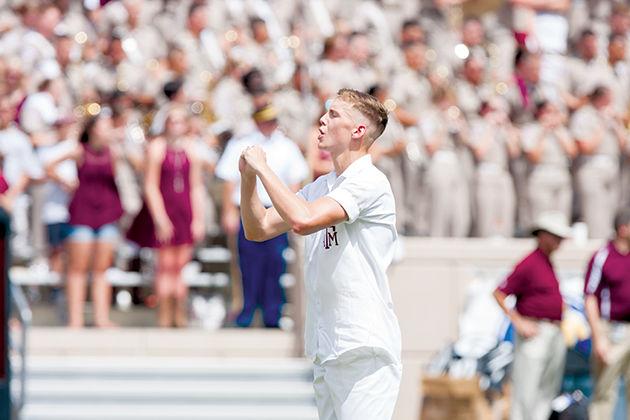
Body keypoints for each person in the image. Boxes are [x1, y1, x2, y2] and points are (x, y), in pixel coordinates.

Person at [239, 89, 401, 419]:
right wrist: (248, 178)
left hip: (363, 347)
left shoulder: (369, 180)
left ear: (358, 132)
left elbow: (303, 219)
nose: (323, 121)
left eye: (335, 115)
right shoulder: (323, 186)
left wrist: (264, 168)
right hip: (328, 348)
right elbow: (258, 229)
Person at [215, 103, 308, 328]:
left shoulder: (287, 146)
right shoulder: (241, 143)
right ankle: (245, 312)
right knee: (248, 265)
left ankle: (271, 315)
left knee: (275, 264)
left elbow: (295, 181)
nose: (270, 125)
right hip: (248, 210)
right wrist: (228, 211)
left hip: (276, 211)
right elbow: (229, 180)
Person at [127, 106, 205, 328]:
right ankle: (164, 314)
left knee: (181, 265)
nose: (176, 126)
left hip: (185, 210)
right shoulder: (157, 148)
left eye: (180, 122)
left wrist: (198, 218)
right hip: (166, 209)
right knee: (165, 264)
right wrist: (160, 218)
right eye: (172, 121)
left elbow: (196, 186)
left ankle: (179, 312)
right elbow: (151, 186)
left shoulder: (191, 149)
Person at [46, 111, 123, 328]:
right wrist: (65, 181)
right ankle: (75, 320)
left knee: (102, 270)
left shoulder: (113, 152)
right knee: (77, 269)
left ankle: (101, 318)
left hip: (106, 213)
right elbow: (48, 166)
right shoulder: (79, 151)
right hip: (81, 213)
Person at [493, 211, 571, 420]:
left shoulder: (546, 262)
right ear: (542, 235)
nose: (559, 242)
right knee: (526, 391)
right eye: (555, 237)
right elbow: (500, 293)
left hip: (553, 332)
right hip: (534, 334)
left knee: (546, 390)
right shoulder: (529, 263)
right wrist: (519, 322)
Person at [584, 208, 630, 420]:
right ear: (623, 228)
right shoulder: (603, 256)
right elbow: (590, 296)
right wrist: (598, 337)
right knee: (604, 391)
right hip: (611, 330)